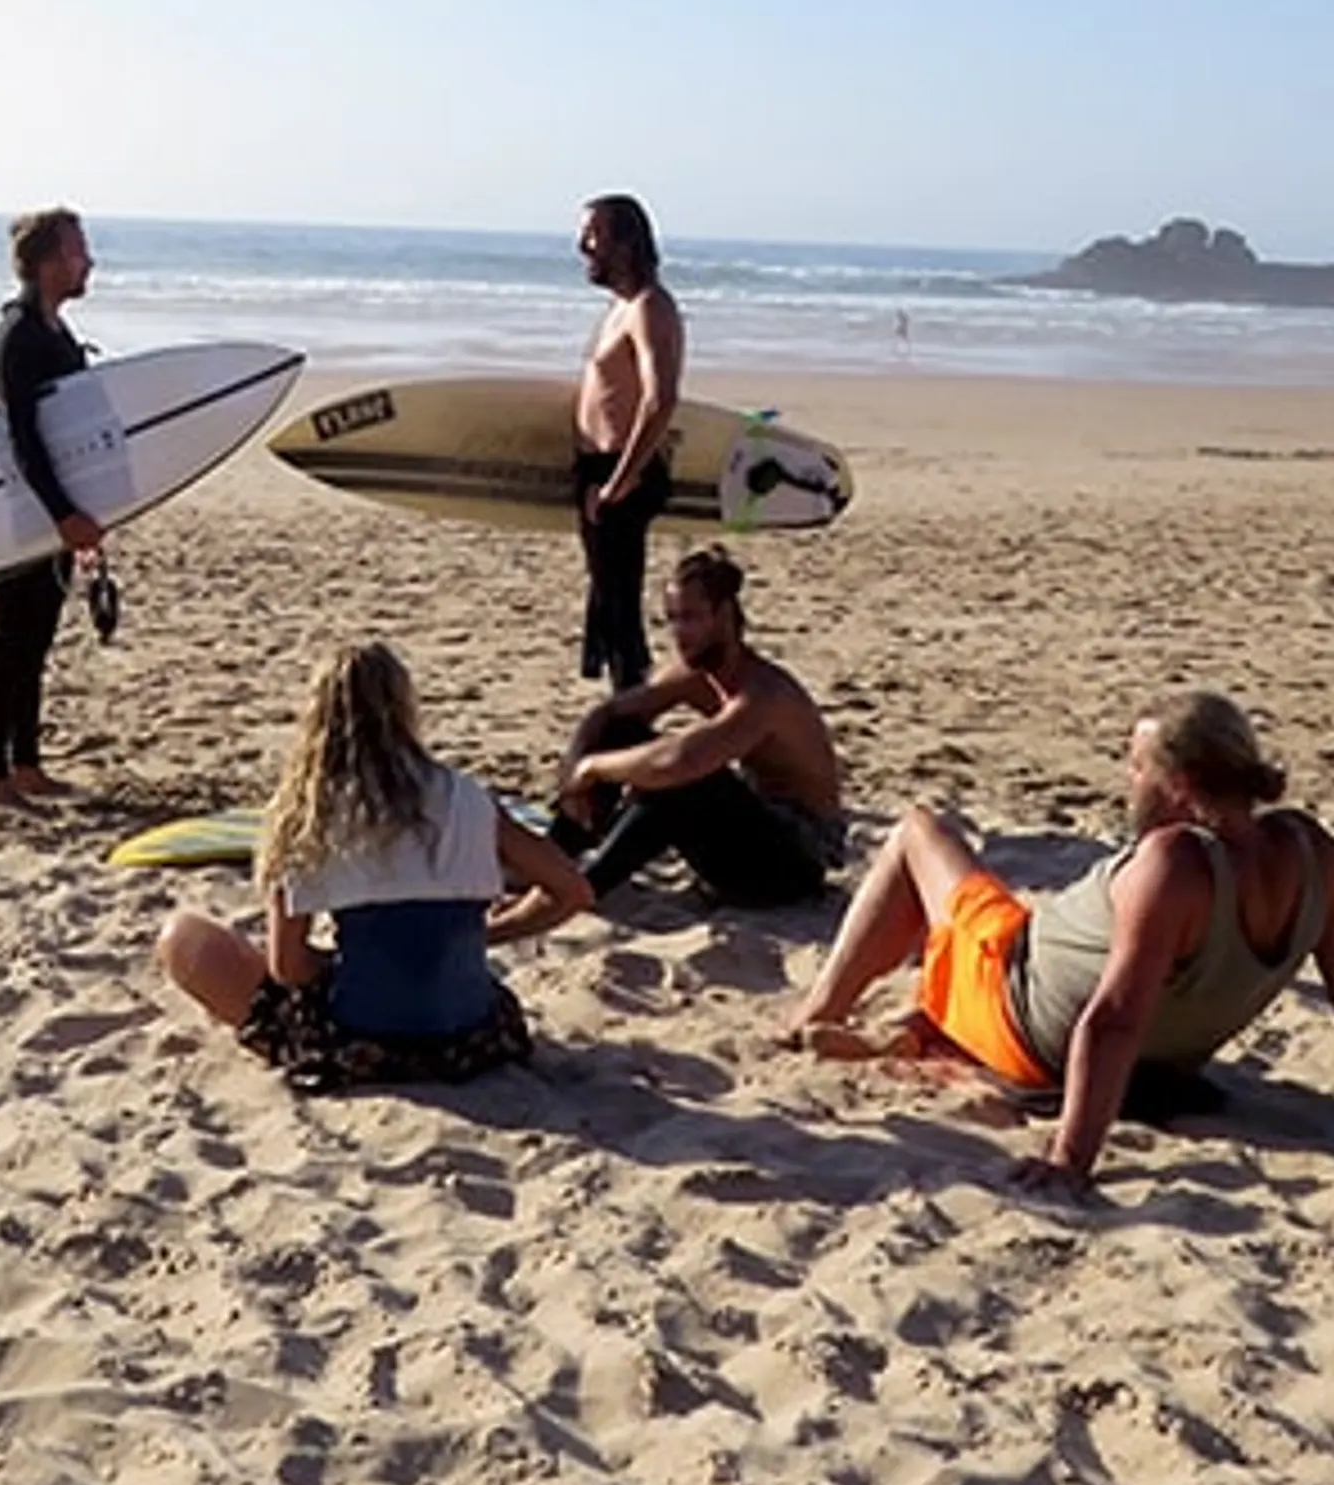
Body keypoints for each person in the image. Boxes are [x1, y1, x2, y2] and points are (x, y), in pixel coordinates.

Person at [779, 689, 1334, 1190]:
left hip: (1019, 1014)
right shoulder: (1315, 855)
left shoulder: (1177, 864)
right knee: (1003, 914)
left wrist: (1070, 1158)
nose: (1128, 780)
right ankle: (915, 1027)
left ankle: (817, 1014)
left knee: (917, 834)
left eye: (1136, 766)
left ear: (1179, 783)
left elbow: (1115, 1016)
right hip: (1158, 1069)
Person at [156, 640, 596, 1090]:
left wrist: (349, 965)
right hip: (474, 1040)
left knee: (183, 938)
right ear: (405, 707)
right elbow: (573, 891)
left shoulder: (309, 813)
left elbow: (289, 966)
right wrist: (490, 934)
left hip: (363, 1045)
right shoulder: (468, 799)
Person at [550, 547, 845, 906]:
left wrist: (593, 768)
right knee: (621, 732)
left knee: (681, 778)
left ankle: (583, 888)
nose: (679, 632)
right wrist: (573, 776)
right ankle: (554, 856)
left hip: (793, 864)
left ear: (724, 615)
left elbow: (681, 762)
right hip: (748, 833)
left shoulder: (763, 693)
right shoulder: (695, 672)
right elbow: (607, 714)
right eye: (671, 619)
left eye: (690, 618)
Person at [0, 205, 108, 809]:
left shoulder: (59, 337)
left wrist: (88, 515)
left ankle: (28, 766)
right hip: (23, 510)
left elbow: (77, 442)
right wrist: (62, 514)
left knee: (37, 642)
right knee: (8, 641)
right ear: (49, 262)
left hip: (57, 514)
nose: (90, 261)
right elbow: (25, 441)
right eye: (79, 251)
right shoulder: (19, 337)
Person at [572, 192, 684, 684]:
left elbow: (660, 401)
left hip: (624, 473)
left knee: (619, 606)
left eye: (593, 235)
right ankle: (624, 709)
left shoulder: (650, 308)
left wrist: (621, 481)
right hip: (600, 469)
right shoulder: (619, 309)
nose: (582, 246)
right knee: (607, 602)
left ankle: (631, 716)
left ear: (625, 243)